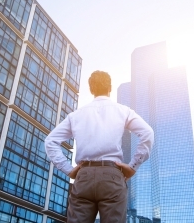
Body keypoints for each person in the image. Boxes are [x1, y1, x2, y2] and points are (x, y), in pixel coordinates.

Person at [45, 70, 154, 223]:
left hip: (84, 176)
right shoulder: (123, 111)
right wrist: (132, 166)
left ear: (91, 90)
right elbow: (147, 133)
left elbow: (50, 142)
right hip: (112, 175)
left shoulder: (76, 115)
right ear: (110, 88)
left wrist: (69, 170)